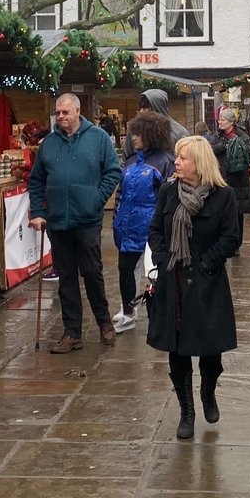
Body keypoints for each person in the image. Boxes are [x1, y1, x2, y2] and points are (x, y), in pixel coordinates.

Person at [147, 135, 240, 439]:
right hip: (173, 281)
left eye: (183, 157)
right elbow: (156, 231)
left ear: (199, 163)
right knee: (178, 350)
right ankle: (186, 410)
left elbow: (230, 238)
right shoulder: (168, 192)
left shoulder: (222, 196)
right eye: (177, 156)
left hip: (207, 281)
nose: (176, 162)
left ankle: (208, 392)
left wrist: (206, 263)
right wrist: (163, 261)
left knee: (210, 351)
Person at [28, 92, 122, 353]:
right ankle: (72, 332)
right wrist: (38, 211)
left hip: (87, 219)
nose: (60, 117)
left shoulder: (98, 138)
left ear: (77, 111)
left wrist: (97, 198)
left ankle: (103, 321)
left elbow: (113, 171)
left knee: (92, 272)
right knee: (66, 278)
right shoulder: (48, 143)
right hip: (58, 221)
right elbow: (36, 180)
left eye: (65, 112)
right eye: (58, 113)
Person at [112, 111, 176, 333]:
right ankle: (128, 311)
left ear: (151, 134)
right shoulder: (130, 162)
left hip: (152, 229)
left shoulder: (166, 162)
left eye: (138, 134)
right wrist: (116, 217)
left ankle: (160, 313)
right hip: (127, 227)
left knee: (155, 273)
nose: (133, 138)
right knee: (125, 270)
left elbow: (170, 198)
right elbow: (121, 192)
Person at [208, 106, 250, 253]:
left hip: (238, 180)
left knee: (237, 214)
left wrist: (238, 146)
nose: (219, 123)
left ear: (231, 122)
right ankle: (221, 241)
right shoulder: (217, 136)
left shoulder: (241, 134)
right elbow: (210, 149)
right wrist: (224, 146)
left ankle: (236, 245)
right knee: (220, 212)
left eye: (222, 120)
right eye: (219, 120)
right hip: (221, 178)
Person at [122, 88, 188, 158]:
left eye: (146, 107)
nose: (141, 111)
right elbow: (126, 158)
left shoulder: (179, 132)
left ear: (157, 108)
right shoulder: (135, 131)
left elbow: (186, 159)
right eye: (141, 107)